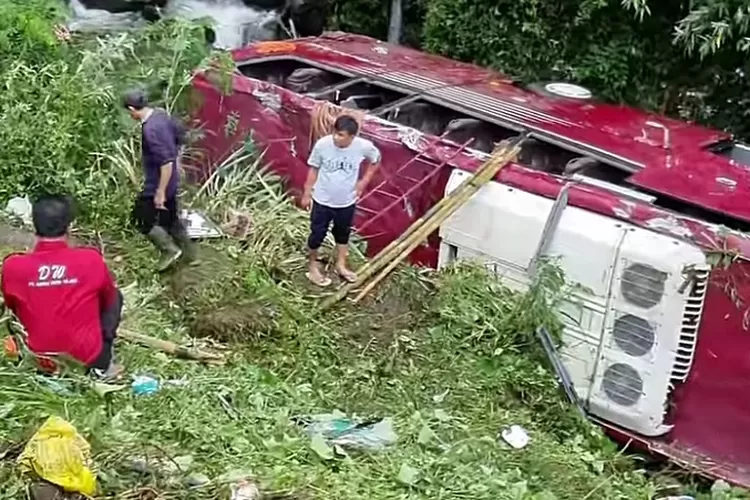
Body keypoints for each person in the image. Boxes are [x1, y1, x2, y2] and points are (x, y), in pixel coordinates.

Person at [1, 195, 124, 379]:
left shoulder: (13, 266)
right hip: (86, 361)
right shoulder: (90, 260)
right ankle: (102, 364)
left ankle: (40, 350)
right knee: (115, 296)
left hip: (37, 360)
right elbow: (108, 299)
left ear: (34, 224)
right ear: (70, 226)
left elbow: (12, 307)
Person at [302, 115, 381, 286]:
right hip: (322, 200)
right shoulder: (323, 145)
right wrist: (307, 193)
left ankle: (341, 265)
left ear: (352, 137)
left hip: (346, 202)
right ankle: (312, 267)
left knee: (342, 234)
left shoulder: (363, 147)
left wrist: (363, 182)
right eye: (335, 133)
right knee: (317, 235)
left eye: (341, 135)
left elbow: (376, 160)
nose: (336, 138)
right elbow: (314, 169)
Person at [123, 88, 196, 272]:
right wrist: (175, 161)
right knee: (170, 218)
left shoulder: (150, 129)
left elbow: (164, 162)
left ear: (132, 109)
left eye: (129, 112)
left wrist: (160, 192)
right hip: (171, 178)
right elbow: (181, 137)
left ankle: (169, 250)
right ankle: (190, 256)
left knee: (141, 219)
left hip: (159, 181)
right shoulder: (161, 115)